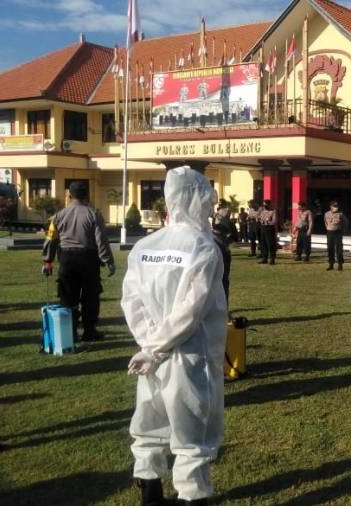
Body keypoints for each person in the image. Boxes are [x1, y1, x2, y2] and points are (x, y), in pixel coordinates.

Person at [122, 166, 226, 505]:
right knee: (192, 431)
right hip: (190, 353)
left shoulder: (144, 246)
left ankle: (149, 493)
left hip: (150, 354)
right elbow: (191, 310)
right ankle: (192, 498)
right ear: (195, 199)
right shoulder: (203, 247)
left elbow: (132, 302)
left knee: (149, 421)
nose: (210, 206)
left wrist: (149, 345)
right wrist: (158, 347)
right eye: (207, 200)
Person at [41, 180, 115, 341]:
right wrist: (108, 260)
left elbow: (51, 239)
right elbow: (101, 240)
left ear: (69, 195)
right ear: (87, 195)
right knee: (90, 296)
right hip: (89, 259)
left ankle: (70, 333)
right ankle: (89, 331)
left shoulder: (58, 215)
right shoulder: (94, 214)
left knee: (68, 296)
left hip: (67, 259)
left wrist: (48, 261)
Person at [213, 200, 239, 307]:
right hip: (218, 252)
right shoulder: (212, 220)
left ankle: (223, 307)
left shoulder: (227, 223)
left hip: (222, 253)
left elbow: (234, 240)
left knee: (222, 281)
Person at [325, 200, 348, 271]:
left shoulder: (340, 214)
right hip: (330, 232)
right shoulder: (326, 214)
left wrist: (343, 230)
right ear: (331, 206)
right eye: (334, 206)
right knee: (330, 248)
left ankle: (340, 265)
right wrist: (328, 228)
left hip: (338, 232)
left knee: (339, 249)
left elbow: (346, 222)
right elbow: (325, 222)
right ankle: (331, 264)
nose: (336, 207)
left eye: (337, 206)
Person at [259, 200, 278, 265]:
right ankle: (265, 258)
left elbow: (274, 221)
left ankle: (272, 259)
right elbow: (260, 219)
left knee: (270, 244)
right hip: (263, 228)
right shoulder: (263, 211)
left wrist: (267, 221)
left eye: (266, 205)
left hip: (269, 228)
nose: (265, 206)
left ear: (269, 205)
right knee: (263, 244)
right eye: (264, 205)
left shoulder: (273, 211)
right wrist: (262, 221)